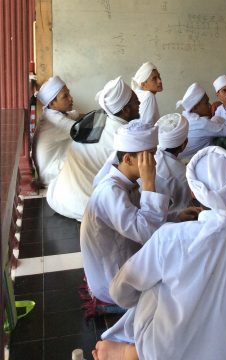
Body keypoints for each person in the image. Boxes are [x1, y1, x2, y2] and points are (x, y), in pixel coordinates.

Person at [93, 146, 226, 360]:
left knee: (152, 283)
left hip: (162, 353)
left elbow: (120, 290)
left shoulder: (168, 237)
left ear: (194, 193)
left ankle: (132, 352)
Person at [80, 120, 169, 305]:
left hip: (123, 263)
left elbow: (140, 218)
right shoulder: (110, 192)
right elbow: (147, 234)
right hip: (112, 284)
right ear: (128, 159)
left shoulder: (124, 183)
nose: (154, 162)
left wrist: (176, 216)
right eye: (149, 156)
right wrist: (149, 183)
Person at [47, 77, 140, 220]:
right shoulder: (123, 136)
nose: (140, 103)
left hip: (58, 199)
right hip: (84, 206)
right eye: (136, 101)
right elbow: (140, 175)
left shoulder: (99, 117)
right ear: (126, 110)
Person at [176, 82, 226, 160]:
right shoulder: (202, 124)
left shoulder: (185, 117)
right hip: (186, 161)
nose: (210, 105)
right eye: (206, 103)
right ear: (195, 108)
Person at [33, 76, 79, 186]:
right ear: (52, 103)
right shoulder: (57, 121)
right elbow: (84, 131)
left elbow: (75, 114)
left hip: (50, 169)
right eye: (65, 96)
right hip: (52, 176)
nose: (71, 98)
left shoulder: (51, 113)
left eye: (69, 93)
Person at [154, 113, 197, 220]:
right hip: (170, 221)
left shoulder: (147, 156)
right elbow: (184, 207)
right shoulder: (183, 175)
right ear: (184, 144)